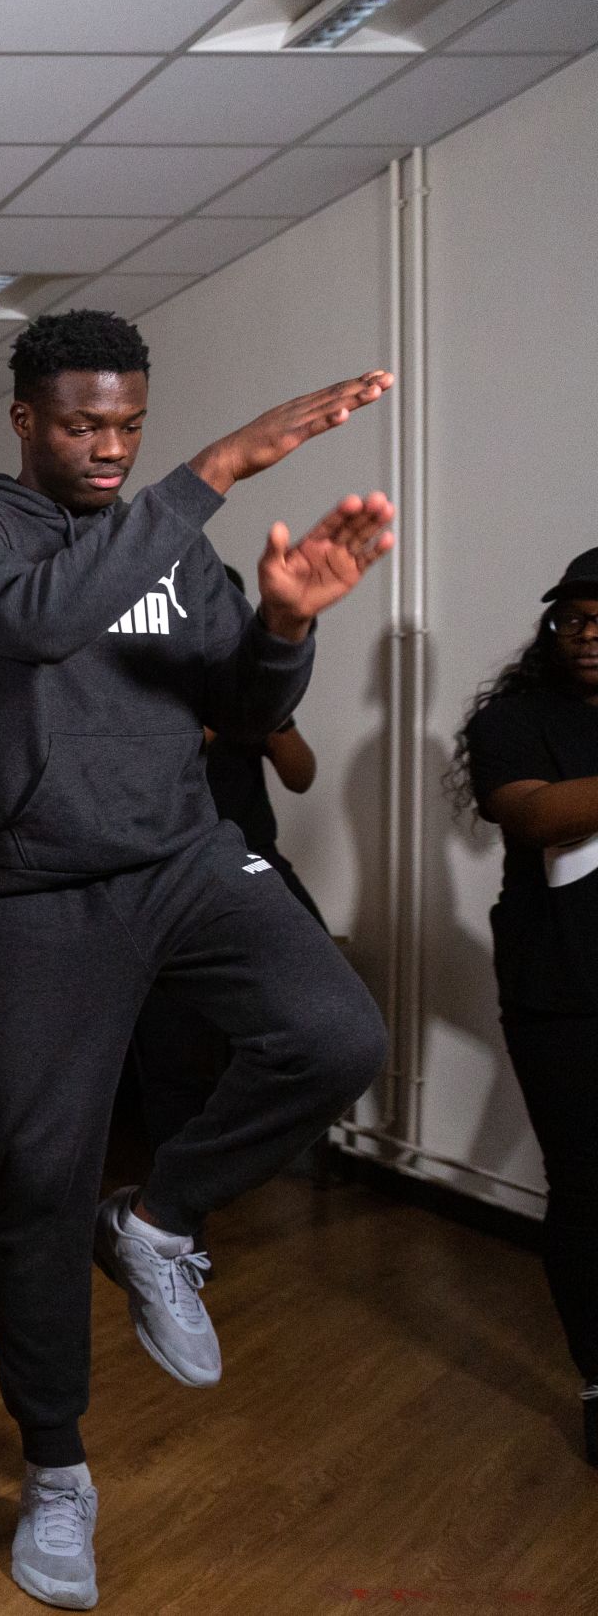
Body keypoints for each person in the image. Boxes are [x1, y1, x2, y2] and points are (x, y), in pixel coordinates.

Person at [0, 309, 396, 1610]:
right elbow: (49, 620)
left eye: (130, 423)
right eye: (82, 423)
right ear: (25, 417)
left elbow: (243, 711)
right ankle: (57, 1469)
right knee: (34, 1182)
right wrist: (217, 468)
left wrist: (286, 626)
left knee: (340, 1036)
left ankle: (164, 1220)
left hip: (182, 858)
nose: (112, 446)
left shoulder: (180, 547)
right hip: (34, 892)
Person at [457, 544, 598, 1468]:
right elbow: (536, 816)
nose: (588, 634)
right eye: (573, 618)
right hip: (561, 989)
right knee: (587, 1188)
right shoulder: (513, 719)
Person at [130, 562, 326, 1200]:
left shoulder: (254, 684)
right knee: (171, 1047)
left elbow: (302, 775)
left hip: (254, 859)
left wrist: (265, 717)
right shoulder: (150, 686)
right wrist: (221, 715)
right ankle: (171, 1214)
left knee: (324, 1006)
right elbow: (153, 766)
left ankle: (264, 1155)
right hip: (167, 875)